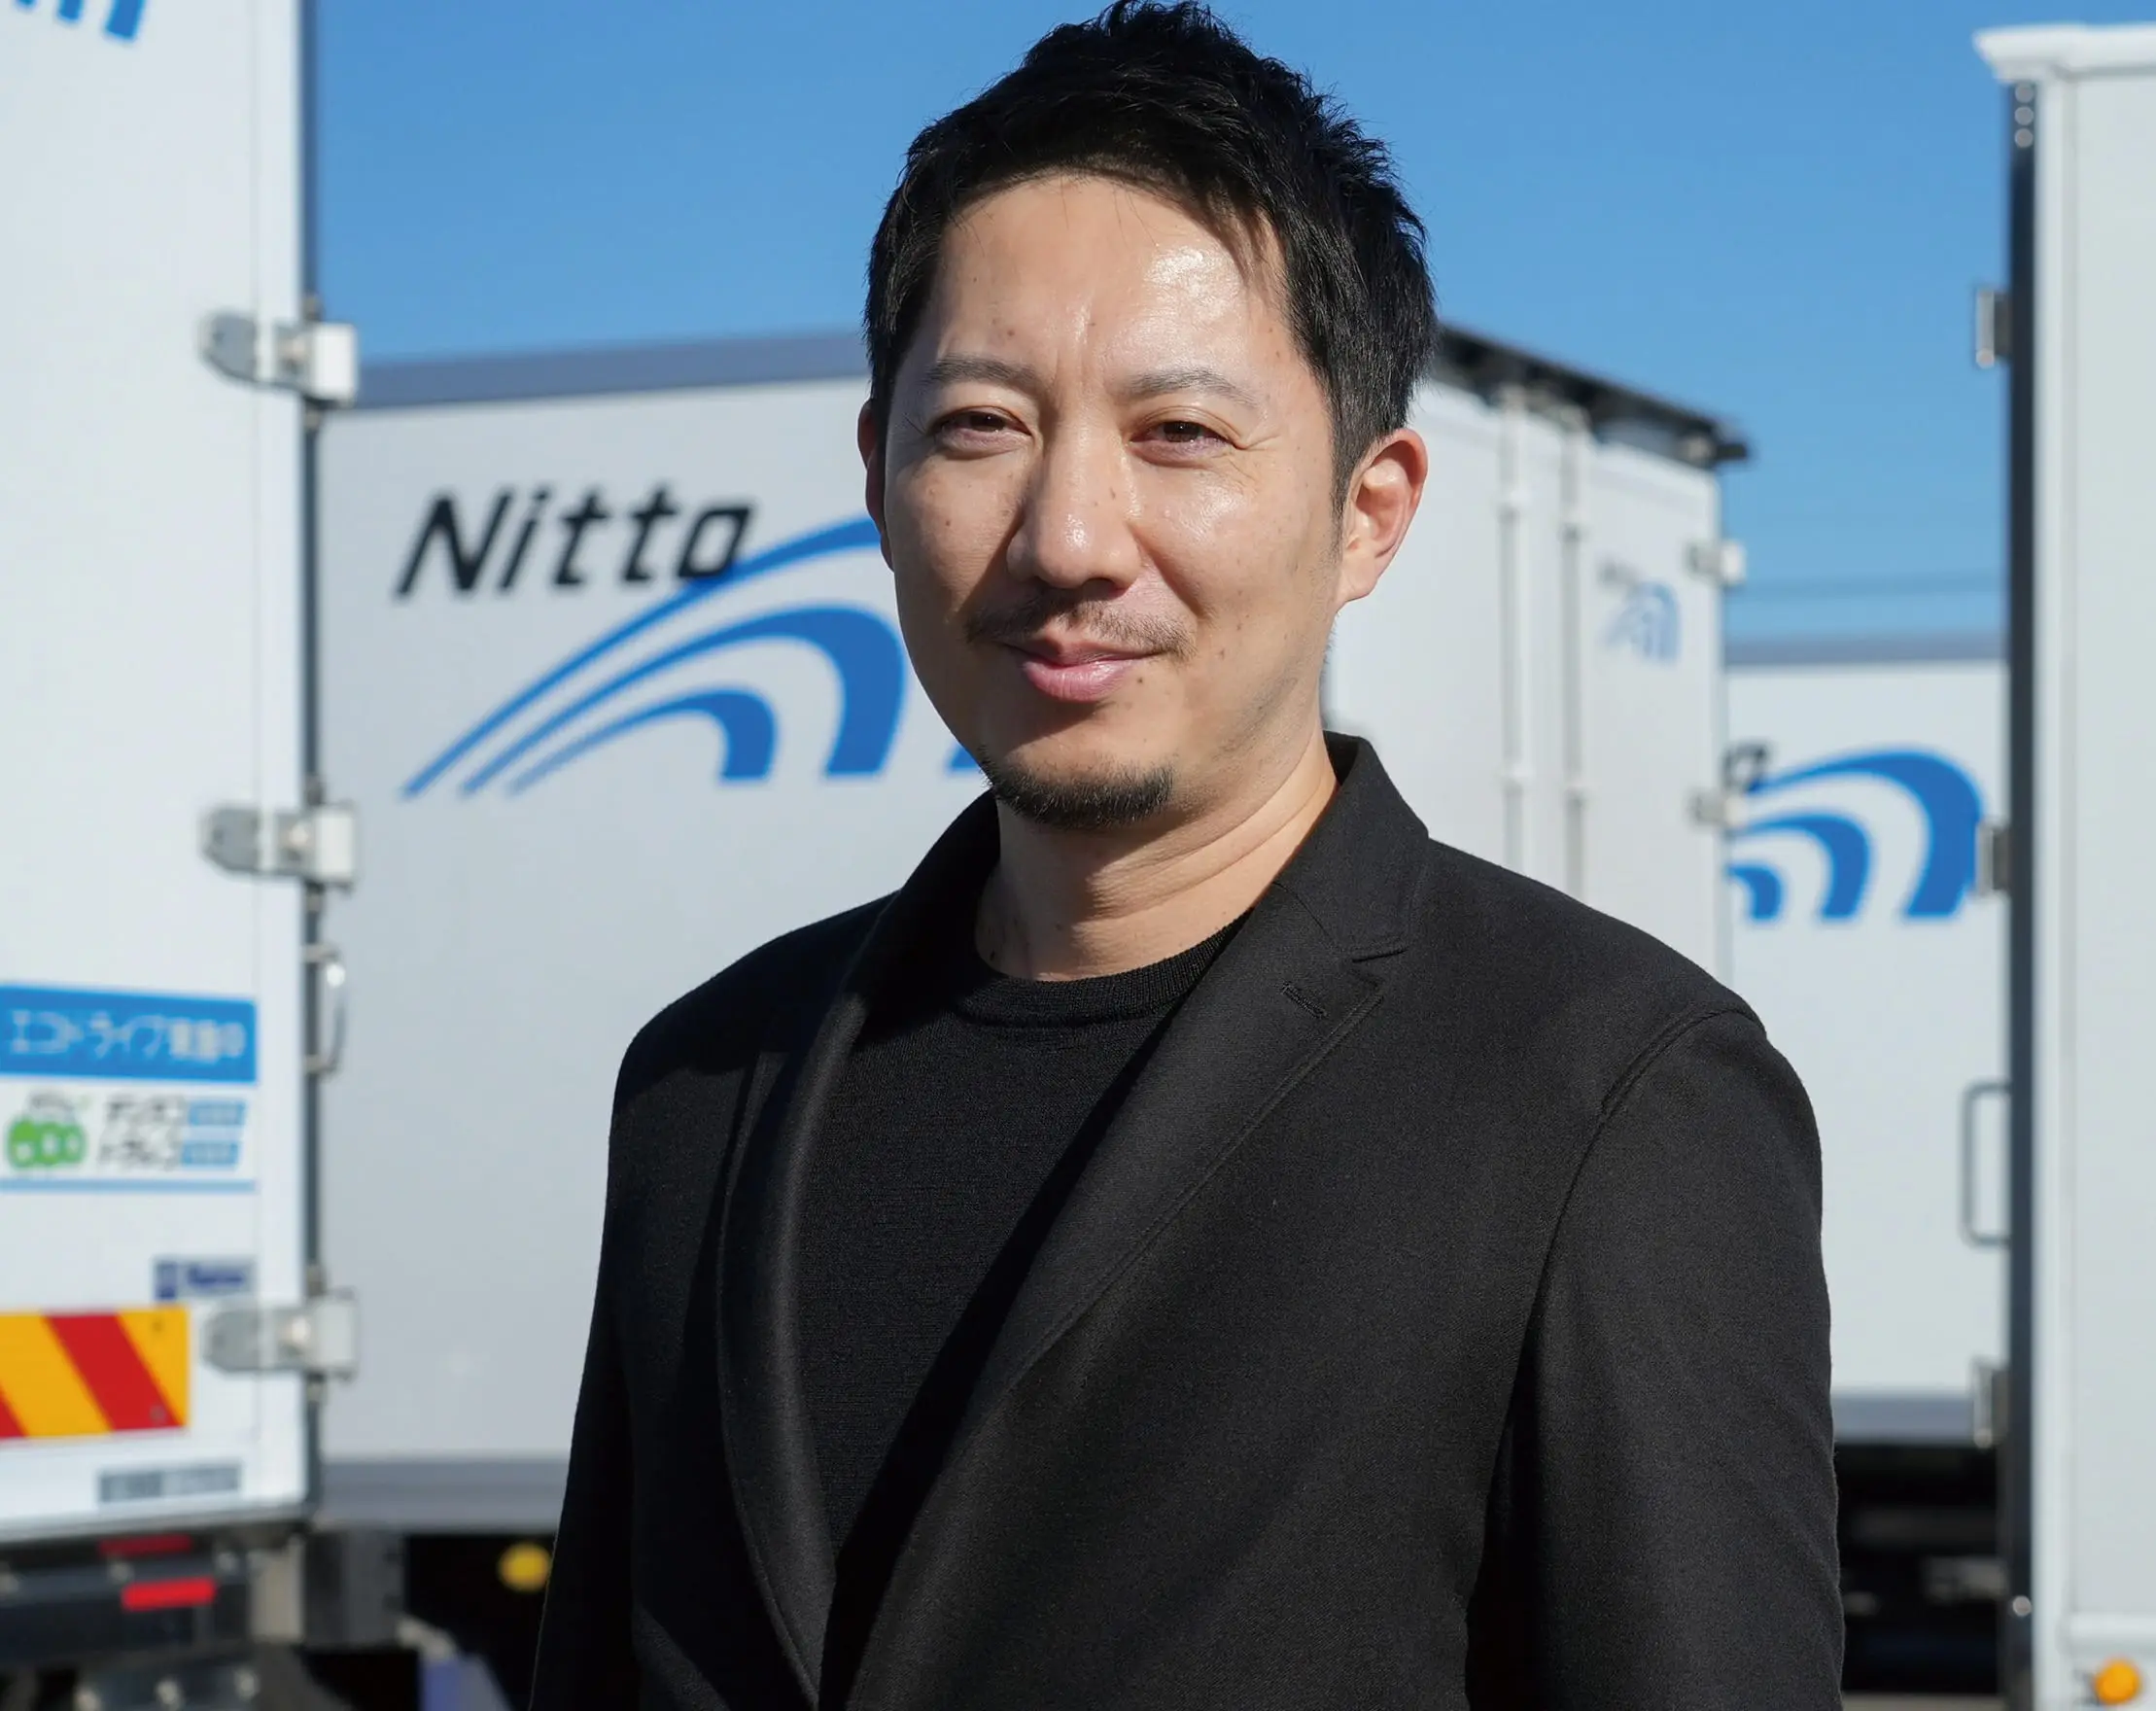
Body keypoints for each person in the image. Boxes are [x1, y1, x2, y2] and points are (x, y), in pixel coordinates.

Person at [524, 7, 1841, 1705]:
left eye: (1181, 435)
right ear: (877, 469)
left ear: (1368, 511)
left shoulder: (1602, 1097)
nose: (1070, 538)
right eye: (981, 424)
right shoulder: (706, 1089)